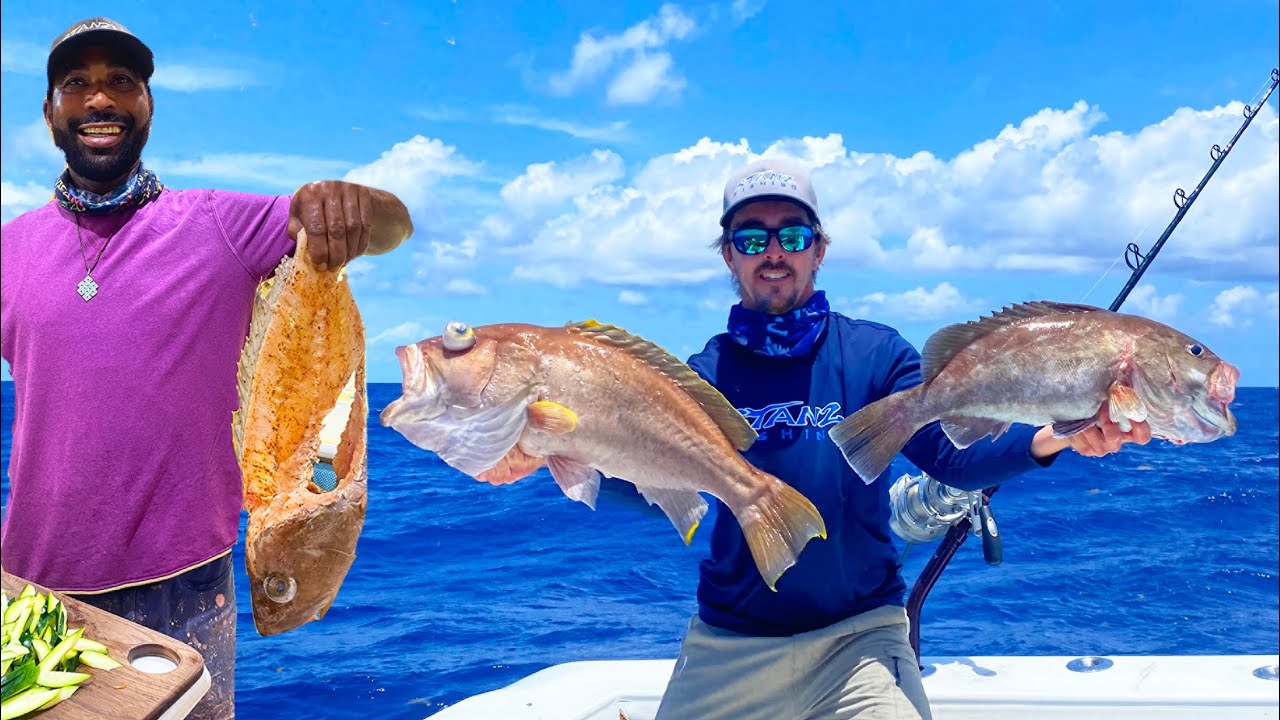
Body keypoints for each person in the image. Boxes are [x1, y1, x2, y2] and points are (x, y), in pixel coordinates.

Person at [0, 17, 413, 720]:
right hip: (34, 583)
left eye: (122, 83)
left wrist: (352, 204)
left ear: (149, 108)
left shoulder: (216, 224)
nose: (100, 100)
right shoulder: (9, 250)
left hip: (189, 588)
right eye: (77, 84)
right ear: (49, 112)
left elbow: (387, 228)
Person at [653, 158, 1151, 720]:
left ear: (819, 249)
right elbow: (643, 480)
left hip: (858, 643)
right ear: (728, 255)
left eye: (792, 234)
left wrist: (1054, 438)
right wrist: (561, 451)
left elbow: (952, 457)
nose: (774, 252)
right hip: (728, 646)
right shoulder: (703, 374)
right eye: (751, 237)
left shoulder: (875, 356)